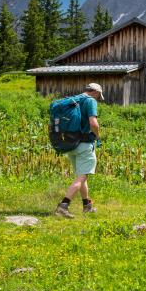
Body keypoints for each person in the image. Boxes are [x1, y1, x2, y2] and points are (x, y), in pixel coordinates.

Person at [55, 83, 104, 219]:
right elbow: (93, 123)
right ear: (95, 92)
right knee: (82, 177)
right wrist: (98, 136)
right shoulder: (90, 101)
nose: (98, 98)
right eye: (99, 96)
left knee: (81, 176)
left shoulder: (75, 99)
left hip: (71, 144)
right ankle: (63, 206)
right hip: (85, 144)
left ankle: (87, 206)